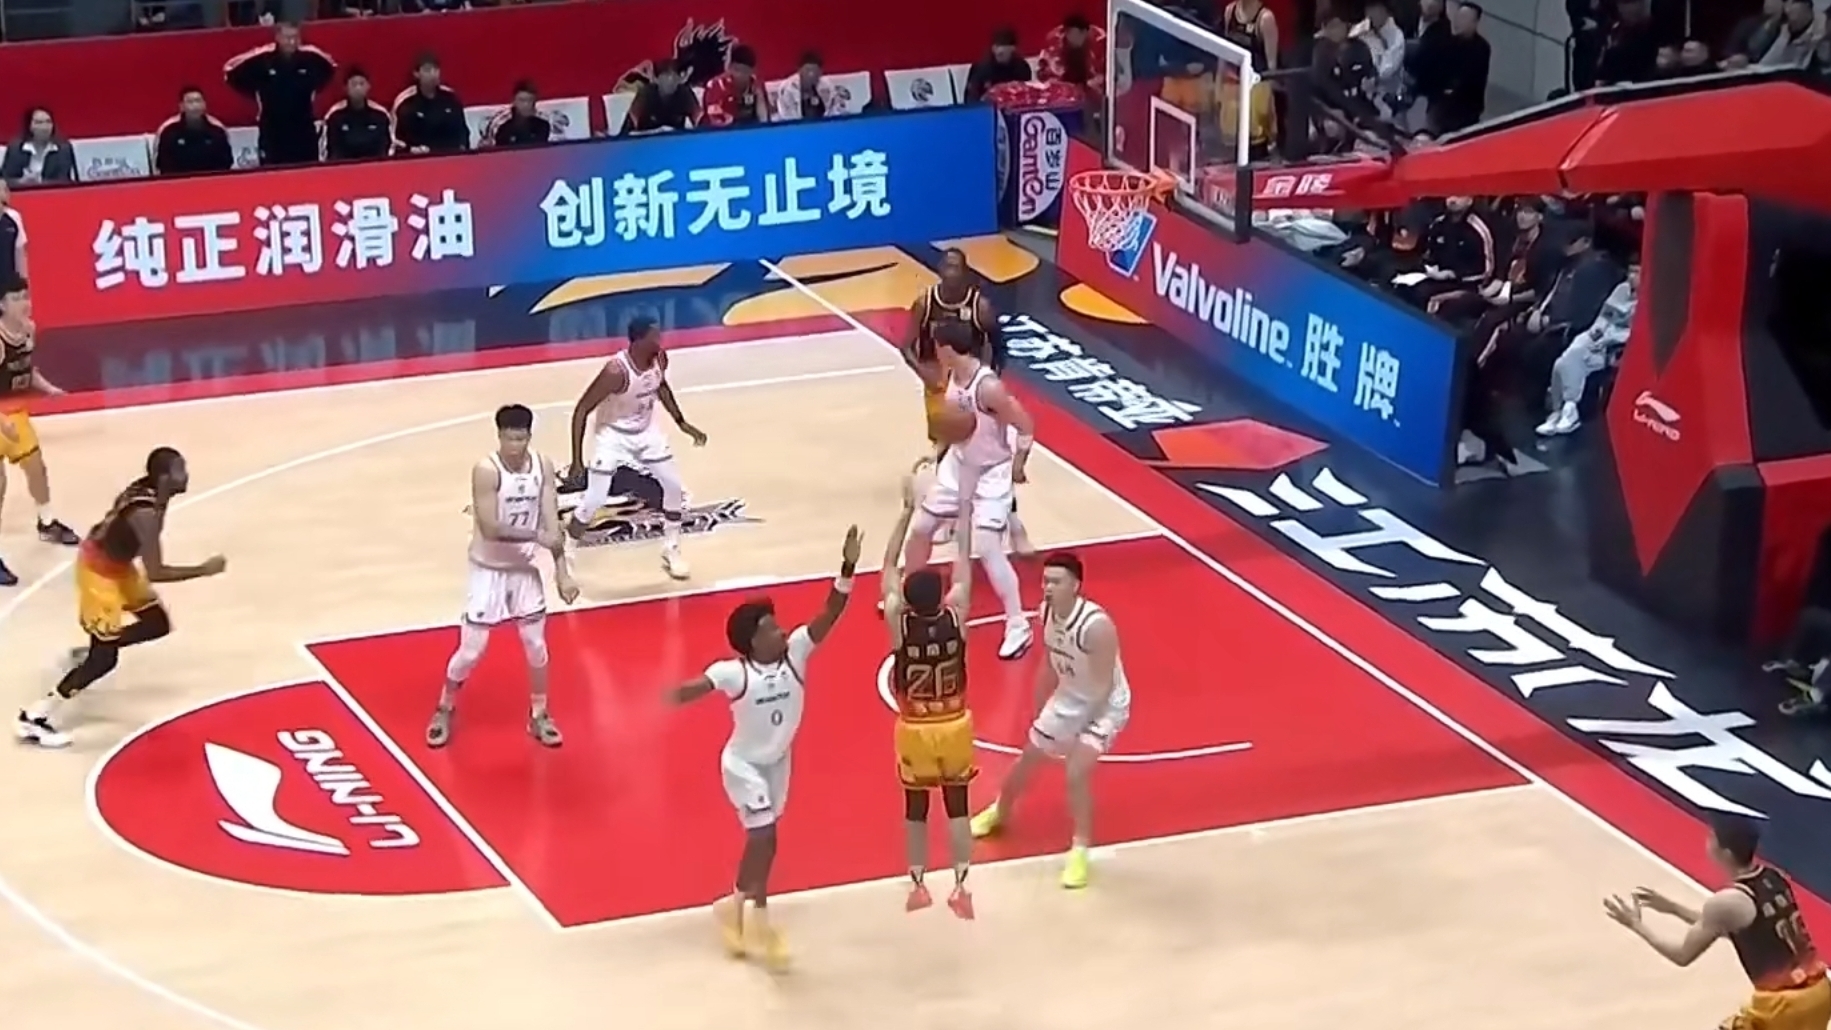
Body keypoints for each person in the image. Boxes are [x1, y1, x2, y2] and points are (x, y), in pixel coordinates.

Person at [666, 525, 862, 970]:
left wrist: (847, 568)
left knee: (767, 845)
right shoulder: (734, 673)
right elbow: (689, 689)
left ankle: (737, 906)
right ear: (753, 642)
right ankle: (755, 917)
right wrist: (652, 697)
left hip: (777, 763)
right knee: (764, 835)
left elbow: (831, 611)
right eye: (772, 629)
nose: (783, 630)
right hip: (743, 765)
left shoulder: (796, 654)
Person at [16, 448, 225, 749]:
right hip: (99, 575)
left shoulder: (150, 491)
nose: (186, 475)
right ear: (163, 477)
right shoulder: (146, 515)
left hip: (117, 566)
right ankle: (35, 717)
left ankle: (94, 648)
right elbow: (156, 572)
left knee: (156, 623)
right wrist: (204, 570)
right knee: (104, 661)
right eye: (180, 470)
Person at [971, 552, 1130, 890]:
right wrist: (1039, 704)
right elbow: (1048, 661)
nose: (1047, 587)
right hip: (1070, 695)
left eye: (1056, 581)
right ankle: (999, 811)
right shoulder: (1046, 613)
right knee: (1028, 756)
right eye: (1045, 581)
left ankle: (1080, 850)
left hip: (1104, 705)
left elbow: (1103, 685)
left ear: (1076, 585)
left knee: (1076, 772)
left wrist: (1075, 731)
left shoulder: (1096, 626)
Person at [426, 405, 578, 749]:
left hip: (524, 569)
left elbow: (552, 523)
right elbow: (491, 527)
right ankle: (445, 706)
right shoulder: (486, 470)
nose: (514, 446)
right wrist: (537, 536)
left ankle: (539, 714)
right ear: (499, 436)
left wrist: (563, 573)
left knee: (536, 646)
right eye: (509, 439)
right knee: (471, 650)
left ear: (529, 436)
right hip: (488, 569)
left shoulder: (542, 466)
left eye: (520, 439)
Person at [1607, 815, 1830, 1030]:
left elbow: (1682, 955)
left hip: (1784, 1005)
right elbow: (1741, 930)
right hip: (1819, 991)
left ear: (1725, 853)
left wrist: (1636, 925)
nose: (1707, 840)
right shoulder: (1774, 877)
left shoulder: (1728, 902)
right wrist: (1673, 908)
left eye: (1712, 837)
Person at [881, 468, 979, 919]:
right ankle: (961, 885)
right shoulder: (957, 616)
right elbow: (964, 565)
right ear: (942, 597)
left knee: (915, 808)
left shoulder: (899, 622)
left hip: (916, 727)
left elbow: (888, 568)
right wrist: (964, 516)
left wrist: (906, 511)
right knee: (958, 807)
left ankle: (919, 883)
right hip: (955, 723)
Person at [566, 317, 707, 580]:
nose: (660, 341)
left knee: (673, 487)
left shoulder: (660, 358)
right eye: (655, 337)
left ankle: (671, 549)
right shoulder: (616, 371)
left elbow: (661, 386)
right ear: (639, 341)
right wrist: (576, 460)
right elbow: (582, 409)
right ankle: (568, 553)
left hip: (646, 432)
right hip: (613, 435)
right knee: (594, 499)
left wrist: (682, 423)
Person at [926, 321, 1036, 657]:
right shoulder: (952, 375)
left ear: (948, 348)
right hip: (961, 464)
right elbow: (955, 424)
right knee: (922, 525)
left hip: (992, 471)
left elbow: (1026, 425)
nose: (935, 351)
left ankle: (1017, 624)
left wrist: (1018, 465)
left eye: (937, 346)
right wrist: (938, 451)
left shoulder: (988, 387)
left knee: (987, 547)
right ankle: (916, 599)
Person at [0, 277, 80, 588]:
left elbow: (27, 370)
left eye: (26, 296)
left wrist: (48, 389)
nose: (24, 302)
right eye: (16, 298)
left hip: (15, 414)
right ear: (2, 305)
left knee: (37, 468)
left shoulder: (29, 331)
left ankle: (47, 523)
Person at [906, 248, 1003, 454]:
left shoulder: (980, 307)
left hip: (968, 376)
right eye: (948, 267)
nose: (951, 272)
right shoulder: (925, 304)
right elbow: (906, 346)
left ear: (965, 272)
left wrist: (989, 379)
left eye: (956, 268)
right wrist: (924, 374)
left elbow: (998, 347)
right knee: (942, 439)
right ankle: (942, 466)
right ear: (939, 269)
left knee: (971, 438)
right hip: (937, 374)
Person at [224, 22, 336, 167]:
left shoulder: (311, 58)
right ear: (277, 37)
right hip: (272, 130)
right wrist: (254, 92)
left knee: (308, 171)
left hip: (303, 128)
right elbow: (230, 70)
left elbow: (331, 68)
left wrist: (315, 88)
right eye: (287, 38)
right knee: (272, 172)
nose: (292, 42)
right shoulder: (263, 59)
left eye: (295, 37)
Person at [392, 54, 469, 155]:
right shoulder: (405, 102)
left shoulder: (451, 99)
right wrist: (411, 149)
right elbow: (396, 141)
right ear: (416, 74)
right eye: (427, 70)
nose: (433, 74)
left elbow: (463, 132)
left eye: (436, 70)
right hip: (419, 159)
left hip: (452, 157)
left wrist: (462, 149)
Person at [154, 87, 235, 176]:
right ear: (181, 106)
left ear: (204, 105)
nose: (195, 105)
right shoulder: (168, 130)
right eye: (190, 102)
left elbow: (226, 162)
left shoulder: (217, 129)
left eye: (198, 101)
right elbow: (163, 164)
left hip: (212, 179)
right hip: (179, 180)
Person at [1, 107, 76, 187]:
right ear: (30, 126)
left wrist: (39, 182)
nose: (44, 127)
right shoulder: (16, 149)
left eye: (48, 122)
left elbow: (63, 180)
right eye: (38, 123)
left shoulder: (63, 150)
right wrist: (21, 182)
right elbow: (5, 179)